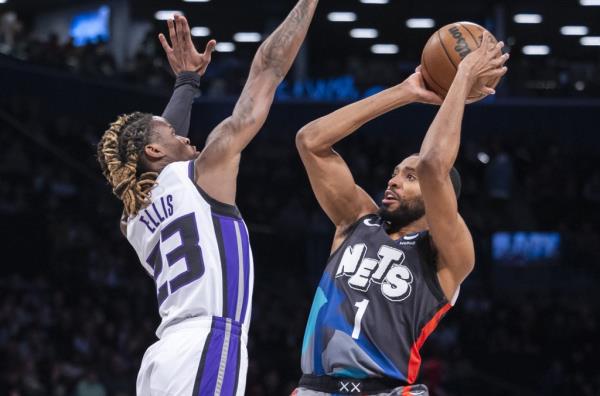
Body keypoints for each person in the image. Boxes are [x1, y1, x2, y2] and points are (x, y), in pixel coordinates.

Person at [96, 1, 320, 394]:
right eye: (171, 131)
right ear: (153, 151)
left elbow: (161, 157)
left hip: (165, 356)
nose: (184, 134)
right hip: (207, 341)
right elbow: (268, 68)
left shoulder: (133, 216)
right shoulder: (202, 173)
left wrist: (186, 82)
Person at [294, 33, 508, 395]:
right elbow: (310, 141)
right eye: (394, 173)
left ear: (441, 197)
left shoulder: (447, 254)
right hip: (315, 388)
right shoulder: (357, 221)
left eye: (408, 178)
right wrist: (404, 92)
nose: (393, 182)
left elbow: (432, 164)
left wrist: (463, 75)